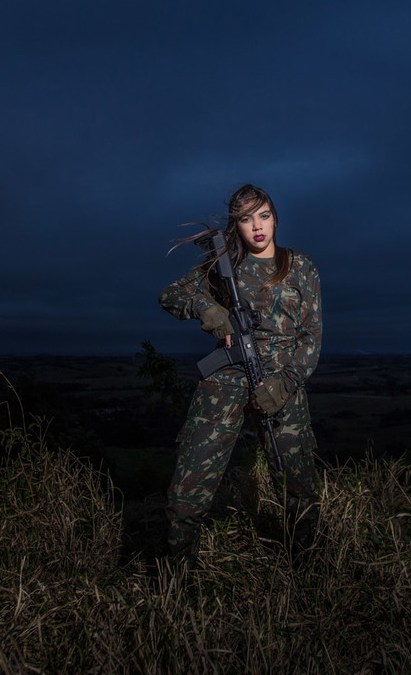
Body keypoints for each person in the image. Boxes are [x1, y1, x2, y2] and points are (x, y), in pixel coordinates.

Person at [159, 183, 322, 563]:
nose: (257, 226)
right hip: (226, 377)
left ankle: (308, 570)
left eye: (264, 215)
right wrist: (206, 309)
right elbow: (170, 295)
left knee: (298, 485)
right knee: (190, 485)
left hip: (280, 381)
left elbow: (311, 337)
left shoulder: (300, 267)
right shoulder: (221, 267)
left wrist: (286, 384)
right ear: (237, 226)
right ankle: (176, 576)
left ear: (276, 219)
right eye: (246, 219)